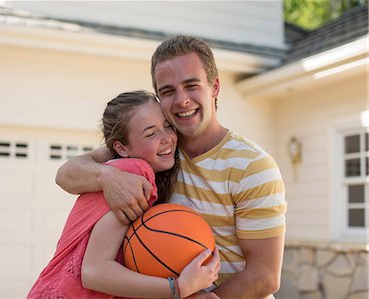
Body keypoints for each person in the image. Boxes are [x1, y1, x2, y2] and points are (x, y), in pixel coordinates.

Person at [56, 35, 287, 299]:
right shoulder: (156, 152)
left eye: (191, 85)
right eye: (168, 91)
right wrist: (107, 176)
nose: (181, 100)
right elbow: (66, 174)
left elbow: (264, 276)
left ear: (214, 87)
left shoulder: (253, 166)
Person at [27, 90, 220, 299]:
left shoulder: (140, 174)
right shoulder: (134, 171)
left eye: (167, 126)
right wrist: (178, 288)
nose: (166, 138)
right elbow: (94, 272)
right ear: (121, 148)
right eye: (150, 133)